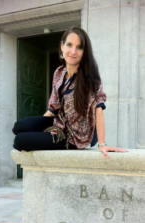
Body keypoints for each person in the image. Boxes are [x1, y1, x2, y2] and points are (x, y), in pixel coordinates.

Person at [12, 26, 128, 158]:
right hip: (59, 122)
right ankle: (47, 134)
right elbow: (53, 108)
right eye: (69, 45)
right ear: (62, 46)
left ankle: (53, 138)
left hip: (74, 136)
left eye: (79, 47)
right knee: (19, 126)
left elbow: (98, 107)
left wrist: (102, 144)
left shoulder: (89, 75)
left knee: (20, 140)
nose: (73, 51)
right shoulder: (59, 72)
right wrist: (41, 130)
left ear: (84, 51)